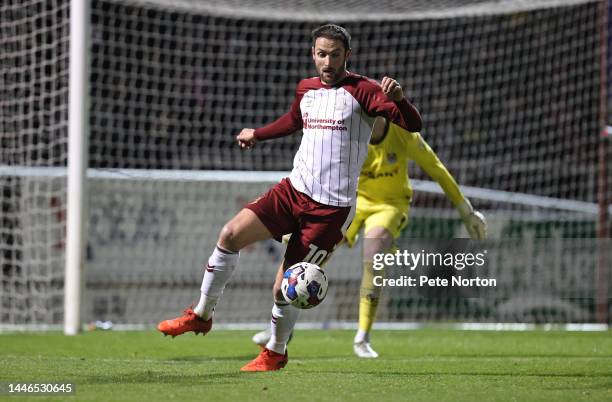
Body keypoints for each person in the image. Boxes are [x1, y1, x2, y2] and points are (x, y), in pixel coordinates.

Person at [157, 24, 422, 372]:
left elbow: (413, 125)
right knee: (229, 235)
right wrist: (258, 134)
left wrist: (400, 100)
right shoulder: (307, 89)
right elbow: (293, 121)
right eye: (321, 53)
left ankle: (276, 352)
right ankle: (202, 315)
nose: (327, 61)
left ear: (348, 56)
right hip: (293, 190)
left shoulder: (364, 91)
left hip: (330, 210)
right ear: (313, 54)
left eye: (335, 54)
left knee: (284, 287)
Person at [252, 116, 487, 358]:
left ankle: (362, 337)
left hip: (390, 204)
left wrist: (466, 211)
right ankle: (281, 329)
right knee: (312, 253)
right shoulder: (348, 134)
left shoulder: (403, 133)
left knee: (373, 255)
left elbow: (436, 168)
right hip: (352, 201)